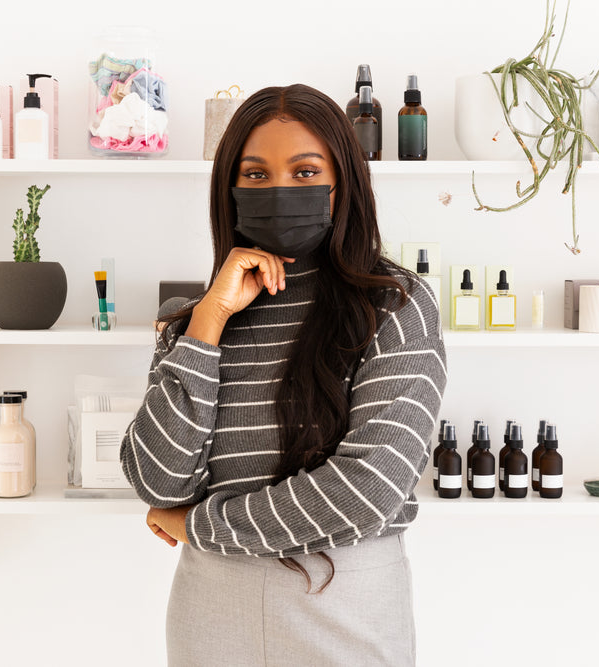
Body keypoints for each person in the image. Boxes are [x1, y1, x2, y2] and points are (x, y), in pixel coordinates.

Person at [120, 83, 446, 666]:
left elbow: (369, 487)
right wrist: (209, 320)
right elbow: (157, 481)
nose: (278, 191)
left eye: (304, 173)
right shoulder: (193, 322)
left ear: (342, 183)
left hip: (347, 607)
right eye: (255, 175)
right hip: (211, 610)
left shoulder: (395, 305)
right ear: (230, 188)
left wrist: (202, 527)